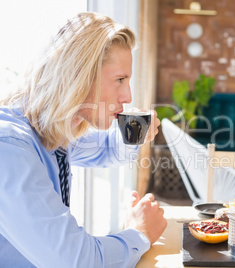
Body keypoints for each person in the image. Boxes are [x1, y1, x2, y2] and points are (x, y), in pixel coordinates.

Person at [0, 12, 167, 267]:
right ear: (79, 74)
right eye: (120, 80)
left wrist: (134, 133)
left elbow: (107, 150)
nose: (128, 95)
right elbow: (76, 261)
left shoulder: (52, 129)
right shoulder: (10, 148)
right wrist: (140, 232)